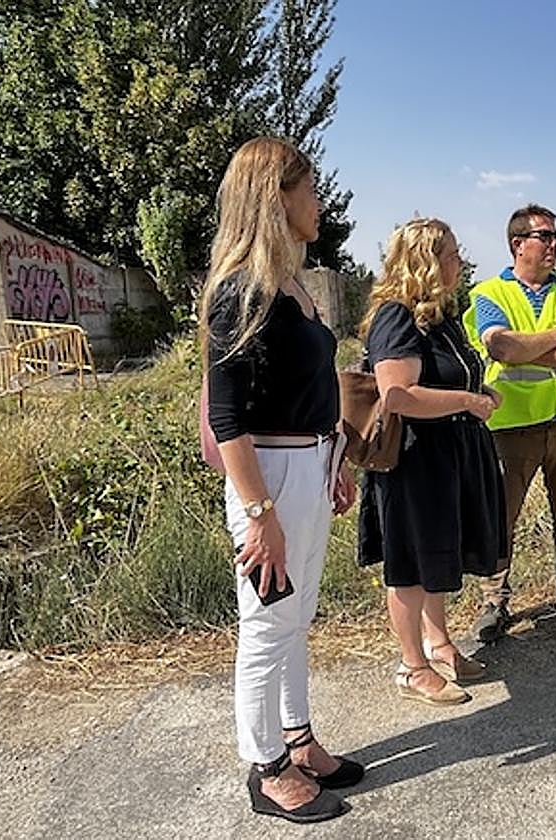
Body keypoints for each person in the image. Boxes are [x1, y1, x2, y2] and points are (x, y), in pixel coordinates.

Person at [201, 136, 362, 823]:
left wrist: (339, 457)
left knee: (296, 618)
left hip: (310, 464)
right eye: (312, 189)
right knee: (266, 624)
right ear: (276, 197)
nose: (320, 203)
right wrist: (258, 510)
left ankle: (299, 739)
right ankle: (265, 766)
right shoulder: (241, 290)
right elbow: (226, 414)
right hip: (268, 475)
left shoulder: (294, 280)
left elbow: (314, 385)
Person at [358, 218, 507, 704]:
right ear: (425, 260)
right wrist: (466, 403)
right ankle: (411, 666)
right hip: (414, 463)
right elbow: (397, 395)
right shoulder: (396, 316)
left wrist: (475, 392)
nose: (459, 263)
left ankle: (439, 645)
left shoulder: (437, 317)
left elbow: (445, 379)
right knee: (410, 565)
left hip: (447, 457)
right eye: (451, 255)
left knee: (436, 555)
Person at [462, 204, 556, 640]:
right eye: (547, 237)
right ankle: (494, 602)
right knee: (503, 517)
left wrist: (531, 347)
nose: (555, 245)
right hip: (513, 423)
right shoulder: (489, 294)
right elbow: (500, 347)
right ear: (518, 244)